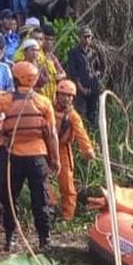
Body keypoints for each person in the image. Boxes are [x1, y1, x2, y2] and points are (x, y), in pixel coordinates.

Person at [0, 60, 60, 251]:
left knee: (11, 198)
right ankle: (45, 239)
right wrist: (55, 159)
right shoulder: (43, 102)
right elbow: (52, 134)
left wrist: (0, 135)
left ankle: (10, 239)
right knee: (40, 200)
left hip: (14, 156)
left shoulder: (6, 99)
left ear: (16, 78)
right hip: (37, 158)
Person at [54, 78, 94, 219]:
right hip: (46, 149)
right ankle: (49, 211)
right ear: (57, 95)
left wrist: (87, 150)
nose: (66, 99)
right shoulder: (48, 109)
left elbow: (80, 133)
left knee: (67, 185)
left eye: (70, 96)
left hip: (63, 150)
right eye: (63, 95)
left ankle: (67, 217)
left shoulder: (73, 116)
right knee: (45, 183)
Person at [68, 26, 103, 126]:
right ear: (80, 38)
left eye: (89, 37)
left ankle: (93, 138)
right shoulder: (74, 53)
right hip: (80, 90)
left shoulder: (94, 53)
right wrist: (81, 88)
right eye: (85, 37)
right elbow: (73, 73)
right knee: (81, 116)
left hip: (93, 88)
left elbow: (99, 68)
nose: (87, 39)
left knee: (93, 115)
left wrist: (96, 75)